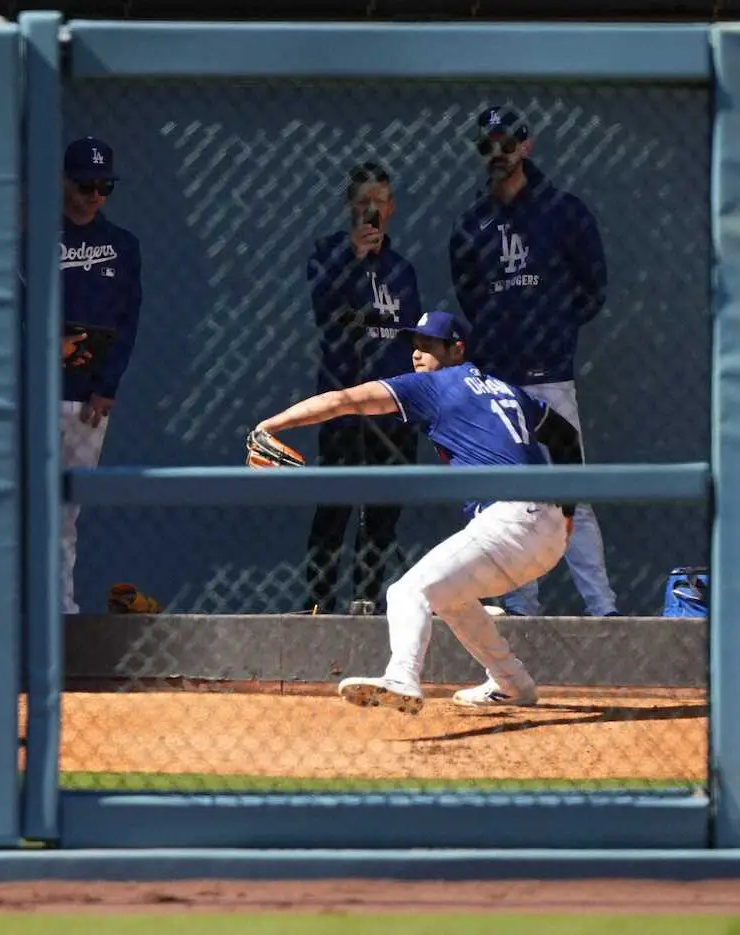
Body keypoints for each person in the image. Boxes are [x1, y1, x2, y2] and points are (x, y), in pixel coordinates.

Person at [253, 310, 581, 714]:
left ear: (456, 348)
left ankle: (401, 676)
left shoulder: (436, 385)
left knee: (406, 591)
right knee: (451, 596)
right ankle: (511, 681)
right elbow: (564, 435)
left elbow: (343, 401)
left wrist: (270, 425)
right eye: (414, 345)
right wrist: (567, 510)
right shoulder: (508, 390)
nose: (417, 354)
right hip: (542, 531)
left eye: (428, 344)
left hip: (510, 520)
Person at [448, 105, 619, 619]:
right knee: (509, 497)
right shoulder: (472, 223)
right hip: (499, 379)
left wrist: (554, 329)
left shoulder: (564, 212)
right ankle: (521, 608)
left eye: (506, 142)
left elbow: (594, 287)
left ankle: (603, 611)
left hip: (550, 377)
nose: (497, 153)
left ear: (526, 144)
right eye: (487, 145)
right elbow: (470, 296)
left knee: (572, 494)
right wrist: (501, 340)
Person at [304, 162, 424, 615]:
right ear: (350, 207)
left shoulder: (402, 270)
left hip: (391, 404)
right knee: (334, 500)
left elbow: (412, 334)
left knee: (382, 506)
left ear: (390, 208)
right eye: (362, 203)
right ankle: (318, 598)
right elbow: (322, 308)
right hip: (341, 399)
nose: (370, 211)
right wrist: (351, 258)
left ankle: (367, 596)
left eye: (379, 202)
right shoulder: (326, 254)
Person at [59, 136, 143, 615]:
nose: (95, 195)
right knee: (18, 507)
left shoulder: (122, 246)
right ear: (64, 181)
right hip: (33, 397)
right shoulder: (36, 238)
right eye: (86, 185)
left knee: (67, 514)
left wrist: (106, 387)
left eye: (104, 186)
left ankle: (62, 613)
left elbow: (128, 321)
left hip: (88, 401)